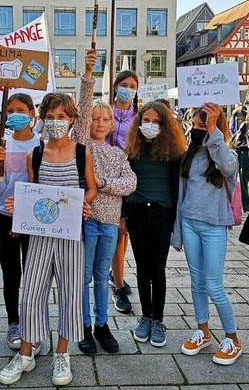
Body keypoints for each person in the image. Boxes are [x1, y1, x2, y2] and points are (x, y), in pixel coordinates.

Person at [0, 92, 96, 387]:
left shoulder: (82, 153)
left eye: (62, 117)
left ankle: (62, 353)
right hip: (40, 235)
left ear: (71, 120)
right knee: (30, 294)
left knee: (69, 294)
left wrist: (83, 204)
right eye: (50, 117)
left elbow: (90, 188)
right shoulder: (35, 154)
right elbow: (31, 193)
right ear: (42, 119)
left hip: (69, 235)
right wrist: (17, 208)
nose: (56, 122)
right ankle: (26, 353)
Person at [74, 50, 137, 355]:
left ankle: (102, 324)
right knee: (84, 276)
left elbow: (130, 183)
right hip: (86, 222)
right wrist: (89, 74)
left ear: (113, 123)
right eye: (95, 119)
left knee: (102, 276)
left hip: (110, 224)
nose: (99, 123)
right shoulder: (82, 145)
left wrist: (103, 185)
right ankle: (84, 325)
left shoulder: (119, 153)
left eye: (105, 119)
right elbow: (84, 108)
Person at [174, 104, 243, 365]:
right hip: (190, 223)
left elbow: (226, 167)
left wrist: (214, 131)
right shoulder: (187, 156)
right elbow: (182, 195)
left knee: (214, 284)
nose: (198, 130)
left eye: (204, 125)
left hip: (214, 226)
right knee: (196, 282)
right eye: (197, 125)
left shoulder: (227, 154)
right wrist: (178, 233)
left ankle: (232, 338)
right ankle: (203, 330)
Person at [123, 101, 186, 347]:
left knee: (157, 269)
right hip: (137, 213)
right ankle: (145, 316)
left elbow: (178, 187)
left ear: (165, 125)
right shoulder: (131, 151)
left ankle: (158, 319)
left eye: (156, 121)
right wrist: (123, 217)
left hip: (162, 213)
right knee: (142, 268)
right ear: (138, 123)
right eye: (146, 120)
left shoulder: (174, 154)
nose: (150, 125)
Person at [0, 93, 40, 350]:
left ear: (32, 113)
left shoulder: (42, 144)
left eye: (21, 109)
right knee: (11, 273)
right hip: (6, 218)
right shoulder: (0, 145)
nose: (15, 114)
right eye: (11, 110)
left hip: (35, 220)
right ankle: (14, 322)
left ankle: (34, 322)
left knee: (34, 273)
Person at [110, 69, 139, 314]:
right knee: (117, 232)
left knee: (124, 231)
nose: (128, 89)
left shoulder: (138, 117)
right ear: (115, 86)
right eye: (124, 84)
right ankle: (118, 284)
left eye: (133, 85)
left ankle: (116, 272)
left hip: (129, 178)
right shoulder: (105, 113)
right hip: (107, 179)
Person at [231, 111, 249, 212]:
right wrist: (248, 145)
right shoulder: (246, 125)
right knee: (244, 180)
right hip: (245, 153)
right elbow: (237, 142)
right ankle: (246, 204)